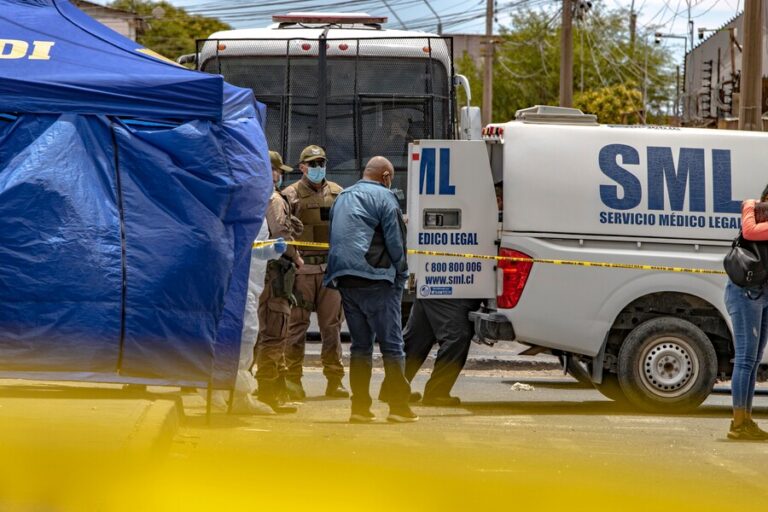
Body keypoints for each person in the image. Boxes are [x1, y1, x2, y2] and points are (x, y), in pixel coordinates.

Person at [325, 156, 417, 423]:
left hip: (345, 279)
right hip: (377, 278)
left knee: (360, 347)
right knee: (392, 345)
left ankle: (360, 408)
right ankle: (398, 408)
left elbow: (335, 235)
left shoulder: (342, 197)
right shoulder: (386, 198)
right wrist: (401, 273)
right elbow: (396, 243)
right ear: (386, 176)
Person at [281, 145, 348, 399]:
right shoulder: (290, 195)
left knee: (331, 327)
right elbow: (282, 231)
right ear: (302, 167)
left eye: (321, 163)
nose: (318, 167)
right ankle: (292, 379)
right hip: (302, 271)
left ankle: (335, 379)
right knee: (296, 327)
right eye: (313, 164)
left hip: (329, 270)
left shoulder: (338, 193)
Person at [253, 151, 303, 414]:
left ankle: (272, 390)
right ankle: (268, 393)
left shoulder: (253, 195)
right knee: (275, 332)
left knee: (264, 332)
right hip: (275, 275)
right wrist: (296, 257)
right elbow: (281, 233)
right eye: (277, 170)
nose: (280, 175)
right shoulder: (273, 199)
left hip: (262, 273)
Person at [724, 191, 768, 440]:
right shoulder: (755, 216)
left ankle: (746, 421)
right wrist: (750, 204)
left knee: (753, 360)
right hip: (745, 294)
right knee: (745, 359)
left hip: (762, 294)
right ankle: (738, 424)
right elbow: (750, 232)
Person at [399, 298, 483, 406]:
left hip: (430, 292)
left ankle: (394, 388)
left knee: (417, 337)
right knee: (456, 337)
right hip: (452, 294)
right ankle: (436, 392)